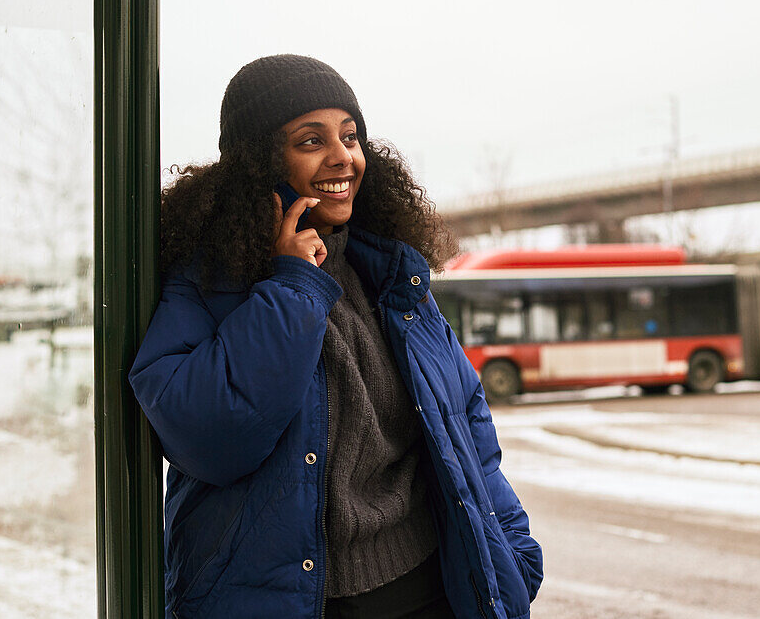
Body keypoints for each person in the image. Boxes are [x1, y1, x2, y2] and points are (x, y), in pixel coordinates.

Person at [129, 54, 543, 618]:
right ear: (257, 161)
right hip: (299, 603)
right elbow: (210, 437)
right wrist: (293, 284)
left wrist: (511, 552)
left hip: (428, 590)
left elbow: (466, 423)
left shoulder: (393, 277)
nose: (343, 157)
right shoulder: (206, 283)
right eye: (310, 140)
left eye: (350, 136)